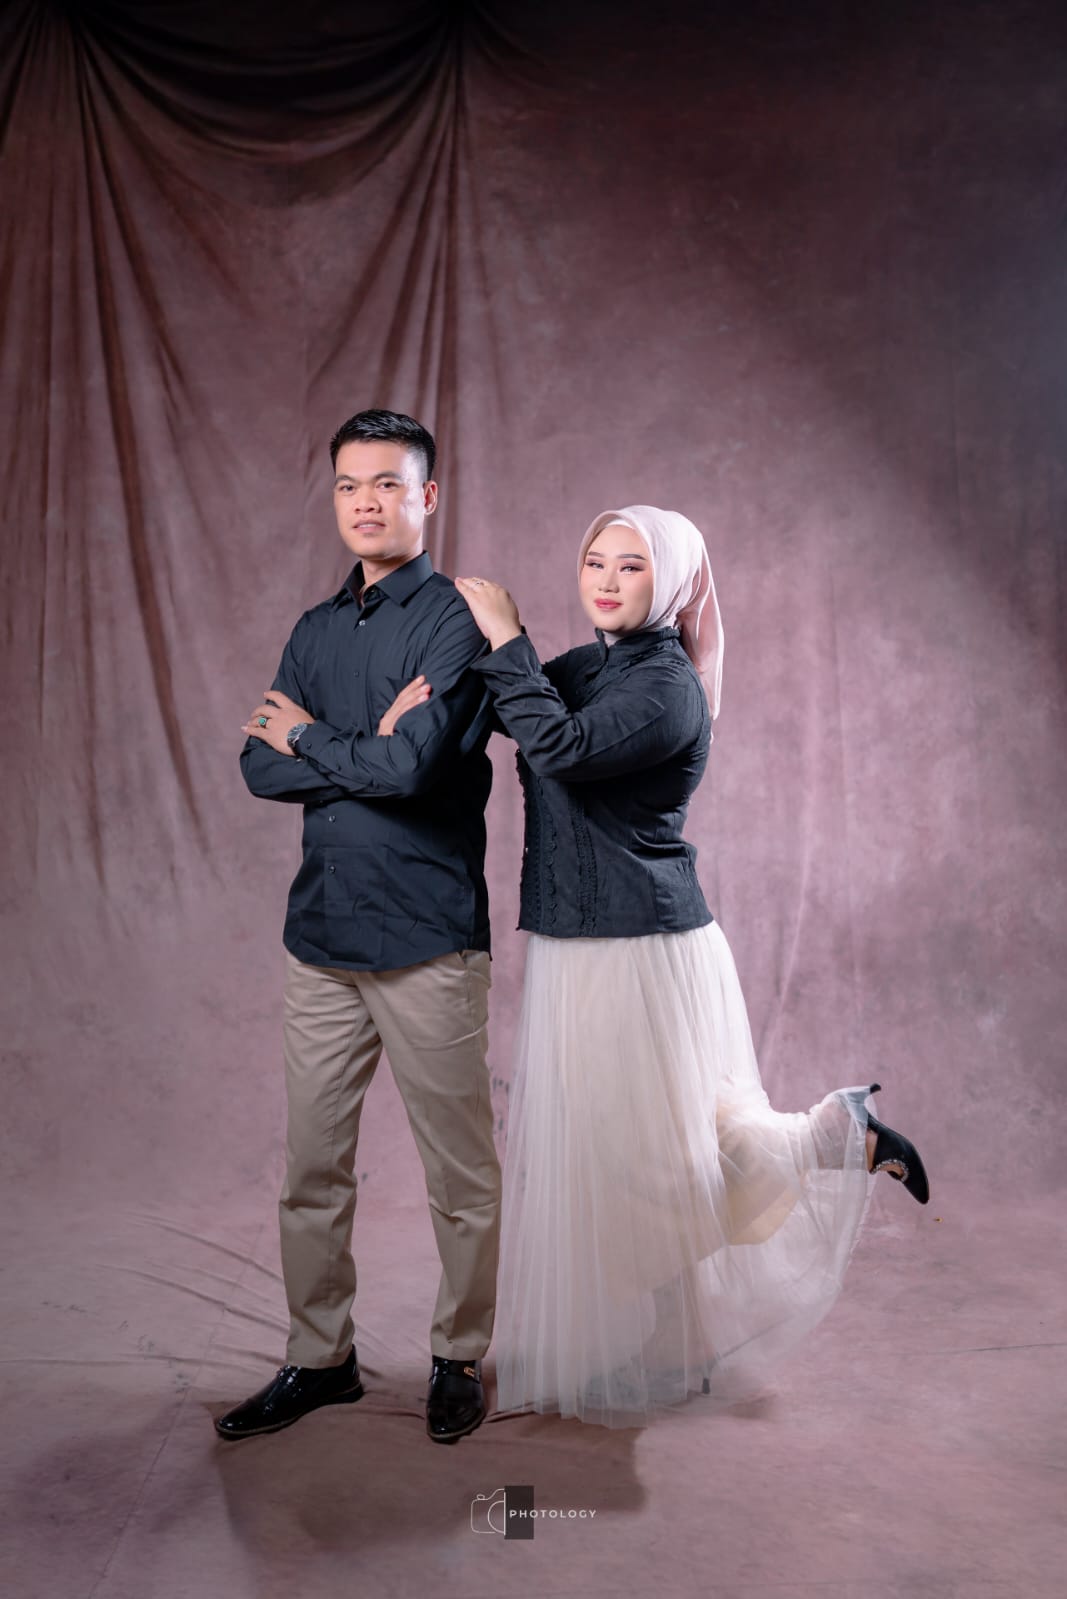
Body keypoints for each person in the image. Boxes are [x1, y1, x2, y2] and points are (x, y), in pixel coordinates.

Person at [451, 506, 928, 1428]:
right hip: (578, 938)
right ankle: (696, 1314)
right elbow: (510, 701)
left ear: (669, 581)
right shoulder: (590, 667)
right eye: (594, 560)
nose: (605, 580)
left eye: (630, 566)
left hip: (637, 946)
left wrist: (507, 637)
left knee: (646, 1159)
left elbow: (558, 746)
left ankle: (827, 1145)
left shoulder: (666, 687)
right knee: (639, 1151)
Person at [214, 409, 501, 1446]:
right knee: (310, 1170)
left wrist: (314, 740)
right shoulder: (312, 628)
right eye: (348, 485)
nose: (366, 502)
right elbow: (257, 764)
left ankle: (457, 1358)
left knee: (458, 1176)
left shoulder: (457, 622)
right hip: (322, 941)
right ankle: (319, 1358)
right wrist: (356, 744)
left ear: (428, 496)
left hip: (428, 937)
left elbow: (411, 770)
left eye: (387, 483)